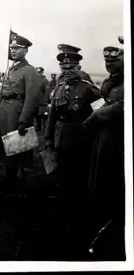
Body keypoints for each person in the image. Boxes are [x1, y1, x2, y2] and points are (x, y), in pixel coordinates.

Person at [44, 48, 100, 237]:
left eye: (71, 67)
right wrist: (48, 138)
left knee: (79, 178)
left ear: (78, 67)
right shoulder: (58, 88)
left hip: (81, 140)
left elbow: (99, 115)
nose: (67, 70)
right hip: (61, 139)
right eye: (63, 67)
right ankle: (64, 213)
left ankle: (79, 217)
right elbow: (52, 117)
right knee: (63, 176)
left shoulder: (89, 88)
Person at [83, 36, 125, 259]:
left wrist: (99, 114)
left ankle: (112, 213)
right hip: (103, 133)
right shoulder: (110, 81)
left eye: (114, 62)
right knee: (99, 169)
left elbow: (122, 106)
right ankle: (101, 210)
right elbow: (103, 100)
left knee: (112, 171)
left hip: (118, 134)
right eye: (107, 63)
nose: (109, 66)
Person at [0, 31, 41, 197]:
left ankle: (18, 186)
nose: (13, 51)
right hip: (4, 113)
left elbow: (32, 98)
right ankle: (10, 181)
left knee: (17, 150)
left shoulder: (29, 71)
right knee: (6, 151)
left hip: (16, 113)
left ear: (26, 50)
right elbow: (2, 93)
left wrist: (23, 120)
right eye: (12, 48)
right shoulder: (11, 68)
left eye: (18, 48)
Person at [35, 67, 51, 132]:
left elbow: (47, 92)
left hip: (42, 103)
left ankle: (45, 129)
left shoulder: (45, 80)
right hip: (36, 102)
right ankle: (38, 128)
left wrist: (45, 102)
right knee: (37, 116)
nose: (38, 74)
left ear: (42, 72)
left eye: (39, 72)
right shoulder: (34, 80)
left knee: (44, 116)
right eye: (37, 72)